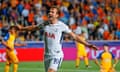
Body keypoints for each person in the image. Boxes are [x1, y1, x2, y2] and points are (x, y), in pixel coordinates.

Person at [18, 6, 98, 72]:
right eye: (49, 11)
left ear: (57, 15)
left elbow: (75, 36)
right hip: (47, 56)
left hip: (57, 55)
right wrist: (21, 29)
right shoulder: (45, 24)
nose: (50, 13)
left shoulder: (62, 26)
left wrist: (88, 45)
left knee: (51, 71)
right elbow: (34, 28)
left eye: (52, 12)